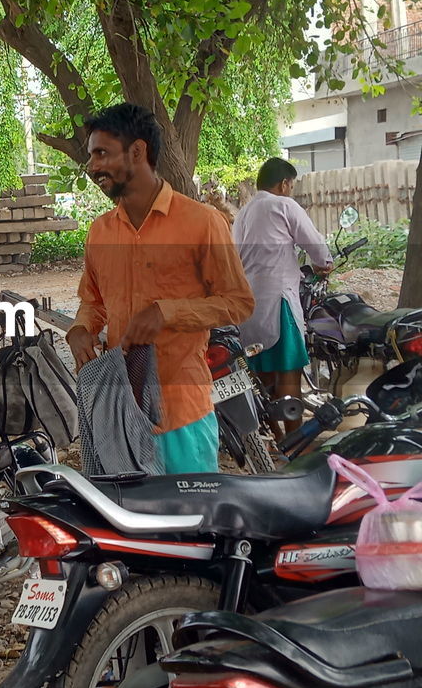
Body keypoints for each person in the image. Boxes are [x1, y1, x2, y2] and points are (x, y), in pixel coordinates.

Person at [66, 104, 255, 475]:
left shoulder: (202, 223)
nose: (92, 166)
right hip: (122, 413)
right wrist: (80, 329)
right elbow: (93, 301)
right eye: (90, 156)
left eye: (101, 153)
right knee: (130, 528)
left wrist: (167, 312)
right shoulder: (100, 232)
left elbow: (238, 303)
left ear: (137, 152)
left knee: (192, 527)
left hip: (182, 413)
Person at [233, 157, 333, 425]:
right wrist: (324, 263)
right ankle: (294, 438)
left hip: (248, 305)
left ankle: (273, 439)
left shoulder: (244, 212)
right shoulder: (284, 204)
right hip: (279, 301)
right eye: (292, 185)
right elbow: (314, 243)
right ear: (285, 184)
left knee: (263, 371)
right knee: (288, 371)